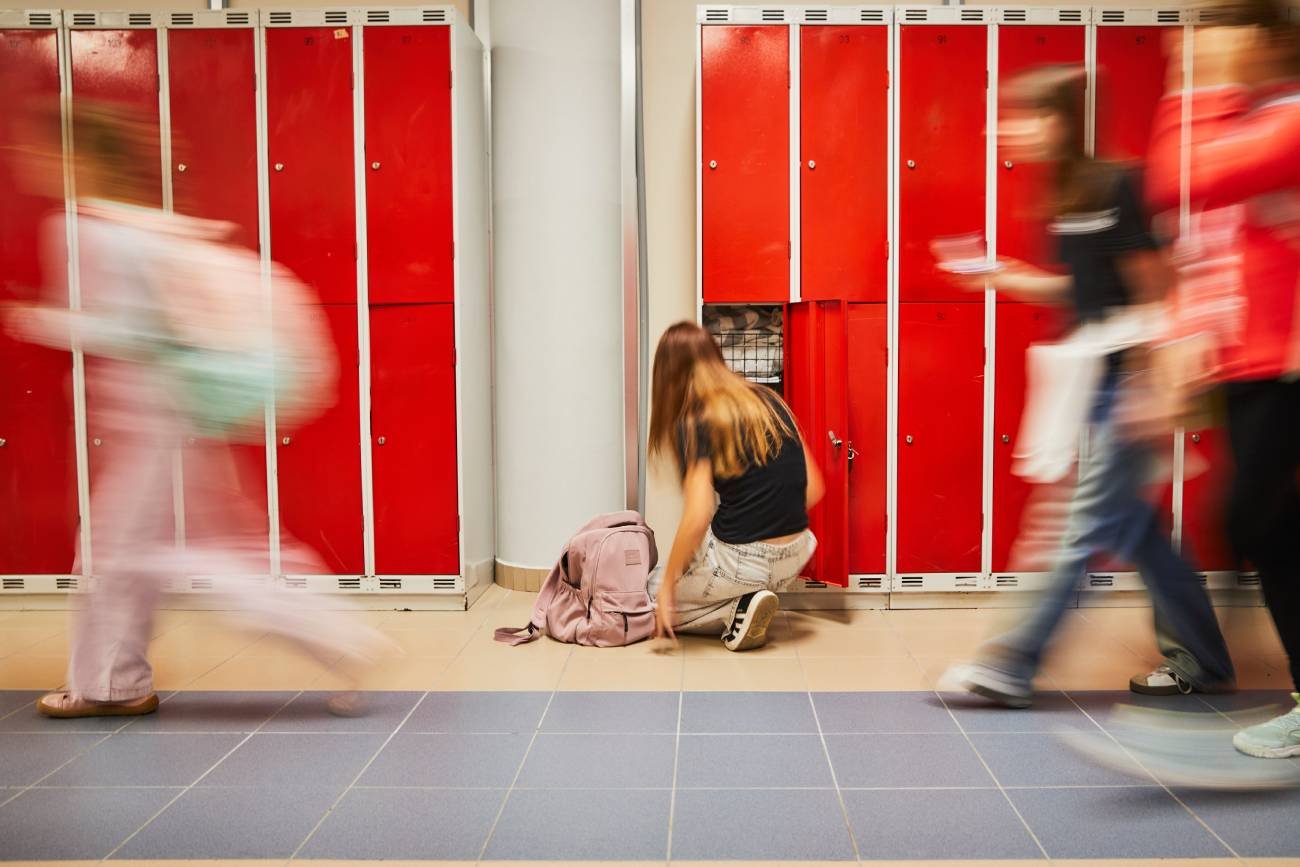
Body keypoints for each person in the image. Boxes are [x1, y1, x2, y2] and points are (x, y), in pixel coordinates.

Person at [4, 98, 394, 719]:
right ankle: (119, 682)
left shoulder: (86, 227)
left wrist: (36, 319)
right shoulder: (136, 223)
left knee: (134, 554)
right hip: (177, 410)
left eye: (42, 150)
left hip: (147, 415)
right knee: (158, 550)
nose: (29, 161)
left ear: (76, 158)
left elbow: (130, 331)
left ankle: (120, 685)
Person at [943, 65, 1236, 708]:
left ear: (1055, 121)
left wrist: (1152, 381)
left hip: (1127, 382)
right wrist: (1004, 277)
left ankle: (1012, 665)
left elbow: (1156, 286)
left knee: (1074, 526)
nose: (1004, 131)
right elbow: (1083, 290)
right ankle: (1205, 660)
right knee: (1137, 533)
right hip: (1092, 382)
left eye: (1017, 117)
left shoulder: (1114, 184)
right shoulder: (1064, 195)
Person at [1146, 0, 1300, 759]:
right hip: (1253, 364)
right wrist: (1183, 342)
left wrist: (1189, 91)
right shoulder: (1247, 118)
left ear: (1265, 37)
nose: (1197, 46)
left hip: (1287, 368)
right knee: (1260, 530)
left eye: (1216, 32)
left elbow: (1188, 178)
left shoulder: (1290, 118)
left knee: (1252, 521)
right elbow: (1203, 242)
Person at [646, 322, 823, 651]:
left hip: (742, 561)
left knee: (652, 594)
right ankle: (748, 598)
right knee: (691, 565)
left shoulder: (696, 418)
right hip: (797, 550)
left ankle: (736, 607)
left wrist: (668, 586)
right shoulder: (769, 399)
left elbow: (698, 515)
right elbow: (813, 488)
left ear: (669, 376)